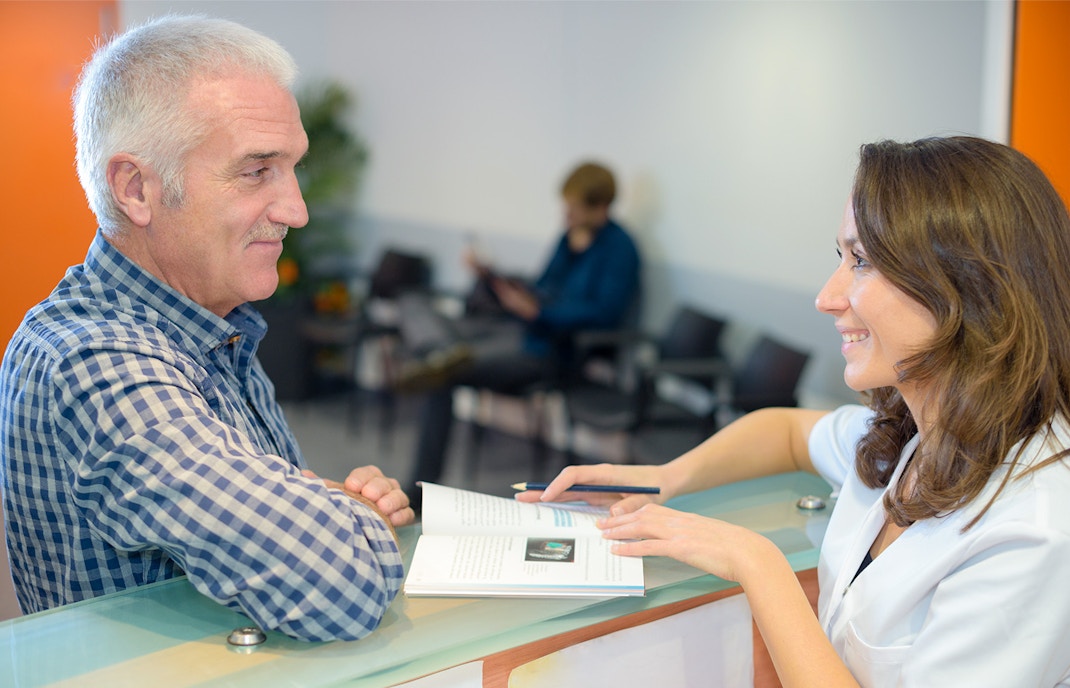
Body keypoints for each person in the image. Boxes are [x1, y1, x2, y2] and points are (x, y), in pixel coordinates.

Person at [521, 137, 1070, 685]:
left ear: (968, 289)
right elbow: (784, 431)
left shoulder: (1034, 528)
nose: (827, 297)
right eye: (841, 257)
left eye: (862, 261)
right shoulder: (911, 434)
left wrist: (757, 564)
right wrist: (664, 478)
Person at [0, 15, 413, 643]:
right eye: (256, 171)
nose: (296, 209)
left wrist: (323, 509)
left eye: (293, 168)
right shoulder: (94, 361)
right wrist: (347, 519)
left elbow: (286, 523)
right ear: (136, 187)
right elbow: (336, 584)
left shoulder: (213, 328)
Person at [398, 162, 641, 508]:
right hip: (517, 330)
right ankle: (443, 351)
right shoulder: (567, 240)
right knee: (413, 302)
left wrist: (541, 314)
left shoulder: (621, 250)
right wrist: (497, 278)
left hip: (551, 351)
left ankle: (420, 493)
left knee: (442, 376)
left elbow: (605, 314)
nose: (566, 214)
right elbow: (542, 286)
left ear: (600, 207)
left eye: (574, 208)